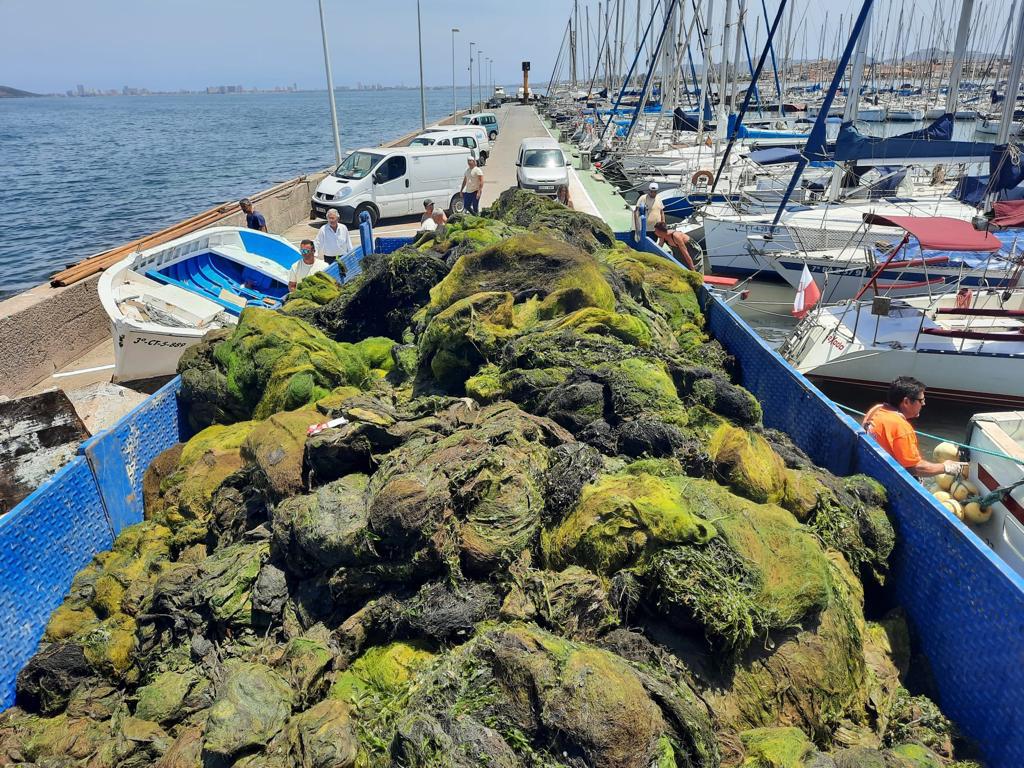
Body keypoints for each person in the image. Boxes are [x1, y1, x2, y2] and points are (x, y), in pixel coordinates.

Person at [862, 376, 965, 477]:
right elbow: (915, 468)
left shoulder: (876, 410)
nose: (923, 404)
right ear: (906, 402)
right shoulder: (901, 427)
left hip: (869, 465)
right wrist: (946, 467)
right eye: (921, 400)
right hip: (884, 475)